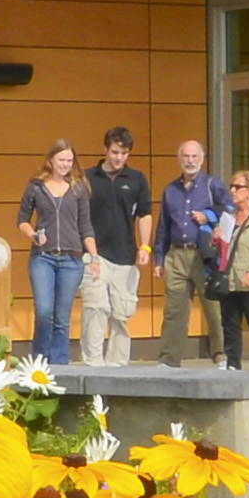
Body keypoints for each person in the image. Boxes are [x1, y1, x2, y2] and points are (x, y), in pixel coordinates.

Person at [158, 136, 249, 360]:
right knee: (174, 311)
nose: (190, 161)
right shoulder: (170, 189)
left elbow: (231, 208)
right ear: (179, 159)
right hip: (176, 254)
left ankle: (222, 356)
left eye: (194, 156)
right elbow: (163, 225)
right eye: (186, 156)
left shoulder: (213, 185)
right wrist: (159, 258)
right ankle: (168, 360)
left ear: (202, 159)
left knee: (214, 308)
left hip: (205, 255)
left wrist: (208, 216)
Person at [79, 126, 155, 364]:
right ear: (105, 150)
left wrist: (145, 246)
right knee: (96, 308)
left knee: (121, 314)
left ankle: (117, 367)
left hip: (125, 255)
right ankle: (93, 365)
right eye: (114, 152)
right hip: (94, 255)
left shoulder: (137, 179)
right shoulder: (87, 178)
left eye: (123, 153)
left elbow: (145, 214)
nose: (118, 157)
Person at [11, 137, 91, 364]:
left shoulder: (78, 189)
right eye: (61, 159)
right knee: (44, 310)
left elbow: (85, 225)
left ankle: (60, 365)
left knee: (62, 318)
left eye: (69, 160)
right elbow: (23, 220)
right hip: (43, 257)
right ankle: (39, 361)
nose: (66, 164)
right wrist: (33, 235)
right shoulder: (35, 187)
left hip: (71, 259)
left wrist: (94, 256)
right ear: (51, 160)